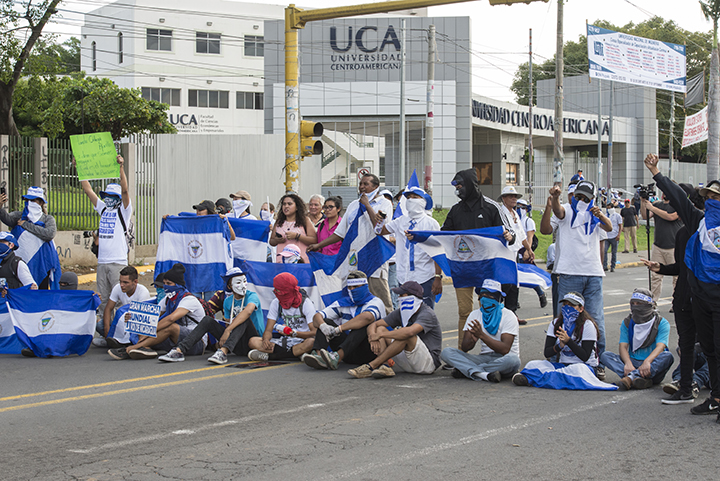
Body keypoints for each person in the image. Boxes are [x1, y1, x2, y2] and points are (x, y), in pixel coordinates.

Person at [643, 153, 720, 418]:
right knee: (708, 349)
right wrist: (656, 172)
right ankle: (715, 399)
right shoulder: (698, 223)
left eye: (716, 197)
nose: (711, 200)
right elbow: (677, 197)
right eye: (708, 197)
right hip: (699, 299)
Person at [539, 180, 612, 380]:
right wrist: (554, 199)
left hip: (594, 274)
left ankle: (597, 362)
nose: (580, 200)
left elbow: (609, 228)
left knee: (596, 319)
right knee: (564, 318)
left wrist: (600, 214)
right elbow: (555, 216)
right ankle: (557, 356)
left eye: (585, 198)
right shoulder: (567, 210)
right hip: (570, 273)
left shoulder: (595, 214)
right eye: (578, 196)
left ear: (592, 199)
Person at [641, 183, 703, 404]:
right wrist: (661, 268)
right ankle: (685, 388)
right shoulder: (683, 233)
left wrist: (657, 173)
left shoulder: (706, 229)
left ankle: (713, 394)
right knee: (685, 346)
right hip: (684, 299)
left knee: (710, 349)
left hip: (705, 299)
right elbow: (681, 266)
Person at [440, 168, 515, 348]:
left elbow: (509, 231)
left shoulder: (491, 207)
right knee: (464, 311)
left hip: (487, 269)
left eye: (460, 185)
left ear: (470, 185)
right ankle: (461, 352)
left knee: (490, 308)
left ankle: (493, 351)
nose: (457, 188)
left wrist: (509, 236)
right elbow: (442, 235)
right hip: (463, 268)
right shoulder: (455, 210)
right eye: (456, 186)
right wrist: (422, 236)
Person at [308, 173, 394, 314]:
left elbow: (379, 228)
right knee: (355, 296)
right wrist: (319, 245)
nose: (362, 187)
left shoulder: (384, 203)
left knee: (379, 296)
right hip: (355, 258)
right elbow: (341, 233)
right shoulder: (354, 205)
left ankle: (388, 330)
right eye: (360, 184)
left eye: (366, 184)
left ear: (376, 186)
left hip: (374, 258)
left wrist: (366, 205)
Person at [512, 292, 616, 390]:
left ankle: (534, 379)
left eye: (572, 306)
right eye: (565, 305)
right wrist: (559, 346)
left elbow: (585, 356)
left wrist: (568, 341)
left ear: (581, 309)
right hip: (563, 365)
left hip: (585, 367)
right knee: (533, 365)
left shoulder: (587, 325)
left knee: (575, 371)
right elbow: (547, 353)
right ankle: (550, 378)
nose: (567, 308)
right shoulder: (556, 323)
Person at [159, 267, 263, 364]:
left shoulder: (252, 296)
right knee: (207, 320)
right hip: (237, 344)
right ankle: (179, 350)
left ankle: (223, 352)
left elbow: (248, 312)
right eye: (238, 282)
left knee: (243, 318)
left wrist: (227, 330)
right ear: (229, 286)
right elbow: (227, 323)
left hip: (254, 340)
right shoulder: (227, 301)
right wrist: (225, 333)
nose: (242, 285)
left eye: (244, 282)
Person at [108, 263, 206, 360]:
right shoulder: (168, 299)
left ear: (178, 284)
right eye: (164, 283)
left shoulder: (189, 299)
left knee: (170, 327)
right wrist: (134, 319)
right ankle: (145, 349)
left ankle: (133, 348)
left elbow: (171, 319)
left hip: (196, 342)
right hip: (177, 340)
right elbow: (153, 317)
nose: (166, 287)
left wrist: (148, 332)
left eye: (169, 284)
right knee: (145, 328)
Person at [348, 281, 442, 379]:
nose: (399, 298)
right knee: (380, 329)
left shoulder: (427, 313)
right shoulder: (400, 312)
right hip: (408, 362)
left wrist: (381, 336)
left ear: (411, 296)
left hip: (427, 364)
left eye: (401, 295)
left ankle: (371, 366)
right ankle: (385, 366)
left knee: (406, 335)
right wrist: (373, 337)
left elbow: (410, 332)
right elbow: (374, 324)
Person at [80, 154, 132, 317]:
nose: (108, 199)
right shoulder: (103, 209)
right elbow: (88, 190)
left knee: (121, 298)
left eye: (112, 197)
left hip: (118, 262)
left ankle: (123, 329)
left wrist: (121, 168)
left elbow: (125, 190)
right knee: (103, 299)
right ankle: (105, 330)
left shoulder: (123, 211)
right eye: (106, 196)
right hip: (102, 262)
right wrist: (79, 168)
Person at [440, 279, 520, 382]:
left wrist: (481, 335)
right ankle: (483, 374)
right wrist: (472, 340)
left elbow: (505, 349)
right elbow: (464, 348)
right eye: (482, 295)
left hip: (504, 359)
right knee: (447, 352)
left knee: (513, 360)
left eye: (490, 296)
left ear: (498, 298)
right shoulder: (475, 315)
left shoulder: (509, 316)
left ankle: (469, 370)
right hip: (484, 358)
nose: (485, 299)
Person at [302, 271, 385, 370]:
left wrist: (339, 329)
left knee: (362, 325)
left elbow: (367, 317)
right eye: (350, 288)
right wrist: (323, 326)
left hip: (370, 350)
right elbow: (317, 317)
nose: (352, 290)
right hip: (348, 350)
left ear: (364, 286)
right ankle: (319, 357)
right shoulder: (344, 302)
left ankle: (337, 357)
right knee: (325, 321)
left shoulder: (375, 302)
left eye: (356, 287)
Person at [379, 186, 442, 307]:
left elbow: (437, 252)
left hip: (425, 276)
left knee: (425, 313)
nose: (411, 200)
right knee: (406, 311)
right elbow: (380, 231)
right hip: (404, 276)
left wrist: (438, 277)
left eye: (415, 197)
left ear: (423, 201)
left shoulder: (431, 223)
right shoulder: (400, 221)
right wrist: (379, 221)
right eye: (408, 197)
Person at [600, 288, 674, 390]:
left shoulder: (661, 322)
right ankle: (640, 379)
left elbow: (661, 346)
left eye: (639, 304)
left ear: (648, 305)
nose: (635, 307)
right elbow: (623, 346)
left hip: (652, 365)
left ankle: (631, 377)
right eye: (633, 303)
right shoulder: (627, 322)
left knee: (668, 356)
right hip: (632, 362)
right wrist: (628, 364)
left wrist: (647, 362)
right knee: (605, 355)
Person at [245, 272, 316, 362]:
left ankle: (271, 357)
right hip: (285, 341)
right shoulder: (276, 303)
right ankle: (296, 354)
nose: (276, 292)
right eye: (275, 290)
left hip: (302, 340)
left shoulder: (306, 303)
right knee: (252, 341)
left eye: (278, 290)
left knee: (311, 343)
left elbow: (314, 332)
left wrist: (294, 333)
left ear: (287, 290)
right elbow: (268, 330)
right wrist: (266, 340)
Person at [0, 186, 60, 289]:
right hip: (21, 261)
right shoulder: (19, 216)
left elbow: (49, 234)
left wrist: (25, 224)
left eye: (33, 200)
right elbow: (7, 219)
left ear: (41, 203)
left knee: (41, 291)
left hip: (42, 262)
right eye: (27, 200)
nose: (29, 203)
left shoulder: (48, 219)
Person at [498, 186, 533, 324]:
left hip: (514, 254)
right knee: (505, 284)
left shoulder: (515, 214)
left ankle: (511, 314)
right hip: (504, 253)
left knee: (514, 285)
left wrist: (529, 249)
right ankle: (501, 314)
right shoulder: (501, 213)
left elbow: (521, 235)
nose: (514, 199)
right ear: (504, 198)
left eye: (515, 197)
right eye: (510, 196)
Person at [640, 189, 683, 300]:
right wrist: (643, 201)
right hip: (658, 245)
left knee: (677, 277)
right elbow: (645, 216)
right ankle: (653, 301)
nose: (665, 194)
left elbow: (670, 216)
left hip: (673, 246)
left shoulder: (677, 205)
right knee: (655, 275)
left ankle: (676, 300)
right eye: (664, 191)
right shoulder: (657, 204)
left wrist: (653, 208)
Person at [95, 265, 151, 348]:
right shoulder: (117, 288)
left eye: (125, 282)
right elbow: (108, 308)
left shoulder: (143, 292)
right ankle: (110, 340)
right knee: (100, 324)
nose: (121, 285)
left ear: (135, 282)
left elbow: (142, 318)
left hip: (134, 325)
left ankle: (121, 342)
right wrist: (107, 332)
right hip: (122, 323)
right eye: (120, 281)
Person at [270, 193, 317, 264]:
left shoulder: (305, 220)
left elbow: (314, 240)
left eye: (289, 204)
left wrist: (297, 236)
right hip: (282, 262)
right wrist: (277, 240)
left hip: (300, 262)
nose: (286, 206)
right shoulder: (279, 221)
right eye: (284, 204)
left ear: (297, 207)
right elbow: (271, 242)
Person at [517, 198, 547, 308]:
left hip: (523, 251)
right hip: (514, 252)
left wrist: (527, 250)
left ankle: (541, 294)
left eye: (522, 207)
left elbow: (530, 237)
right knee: (514, 279)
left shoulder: (528, 221)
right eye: (517, 207)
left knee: (530, 277)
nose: (519, 209)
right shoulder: (513, 219)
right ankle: (514, 301)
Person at [603, 204, 623, 272]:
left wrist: (619, 235)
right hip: (607, 236)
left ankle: (613, 266)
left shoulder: (617, 216)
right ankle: (605, 266)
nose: (609, 210)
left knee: (613, 252)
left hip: (614, 236)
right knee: (604, 251)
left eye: (610, 208)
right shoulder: (605, 216)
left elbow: (620, 226)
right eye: (607, 208)